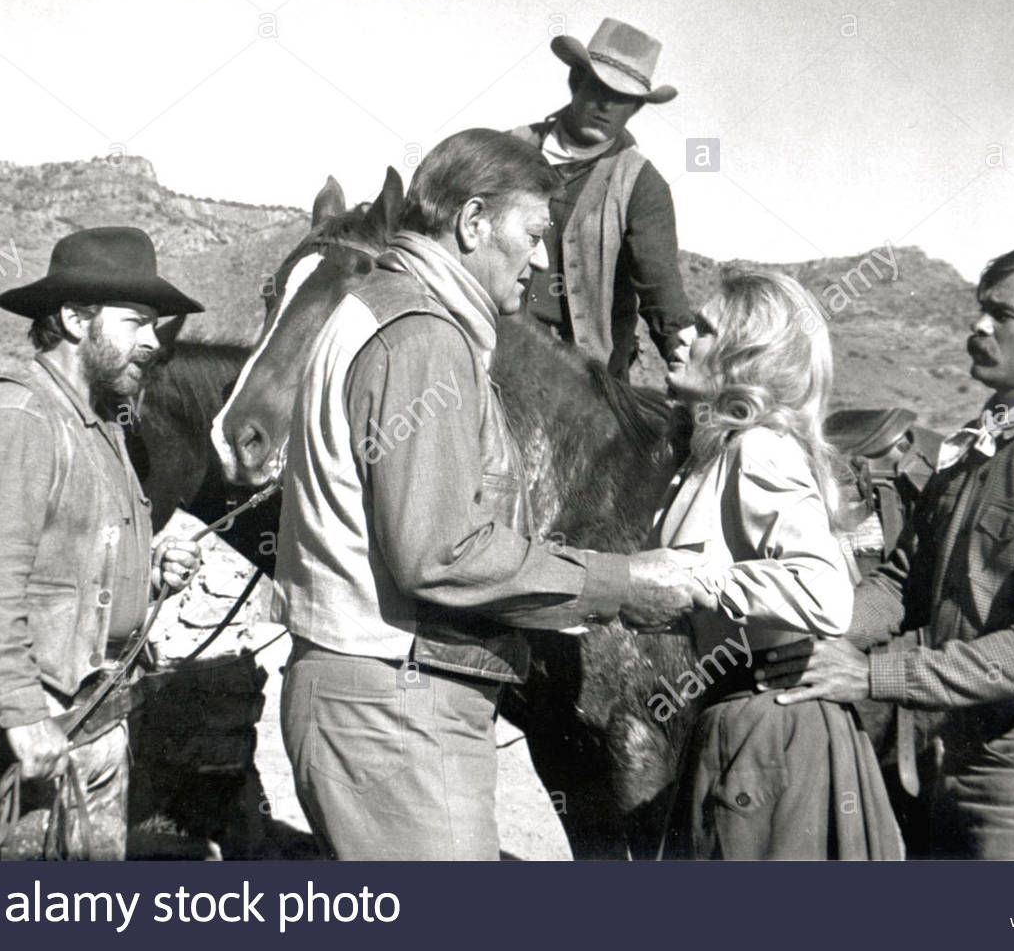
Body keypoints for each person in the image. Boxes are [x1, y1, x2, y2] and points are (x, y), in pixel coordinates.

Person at [273, 128, 711, 860]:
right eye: (533, 235)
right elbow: (442, 554)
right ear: (473, 222)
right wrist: (622, 582)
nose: (540, 261)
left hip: (374, 697)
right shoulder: (424, 339)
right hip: (398, 709)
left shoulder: (379, 311)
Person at [761, 248, 1014, 860]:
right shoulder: (980, 448)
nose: (979, 325)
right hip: (958, 750)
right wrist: (817, 632)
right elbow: (902, 581)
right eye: (981, 310)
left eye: (1003, 315)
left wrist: (872, 676)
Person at [0, 226, 205, 859]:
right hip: (34, 740)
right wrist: (23, 714)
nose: (153, 341)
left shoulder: (100, 424)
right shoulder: (16, 418)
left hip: (91, 729)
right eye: (136, 322)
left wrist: (150, 573)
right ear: (76, 319)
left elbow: (70, 563)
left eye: (154, 324)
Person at [635, 271, 902, 859]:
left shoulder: (759, 448)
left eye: (704, 330)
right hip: (740, 718)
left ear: (745, 359)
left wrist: (693, 581)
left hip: (772, 730)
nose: (682, 337)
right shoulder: (714, 455)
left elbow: (824, 593)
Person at [510, 17, 693, 379]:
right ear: (575, 82)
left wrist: (683, 349)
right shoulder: (509, 149)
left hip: (586, 378)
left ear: (635, 108)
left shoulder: (641, 184)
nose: (607, 106)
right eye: (598, 88)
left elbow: (659, 283)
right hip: (496, 345)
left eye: (622, 98)